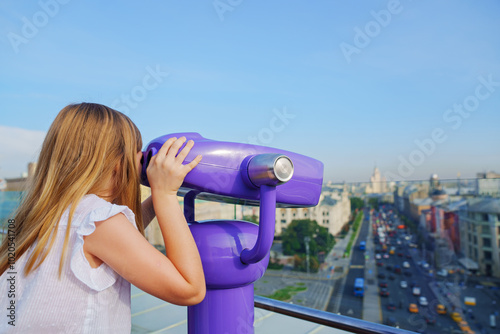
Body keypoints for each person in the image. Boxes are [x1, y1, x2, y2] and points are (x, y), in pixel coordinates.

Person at [0, 103, 206, 333]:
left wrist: (157, 198)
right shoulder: (99, 222)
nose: (141, 160)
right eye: (136, 151)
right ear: (116, 161)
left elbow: (123, 236)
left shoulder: (39, 218)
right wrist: (165, 195)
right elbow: (190, 290)